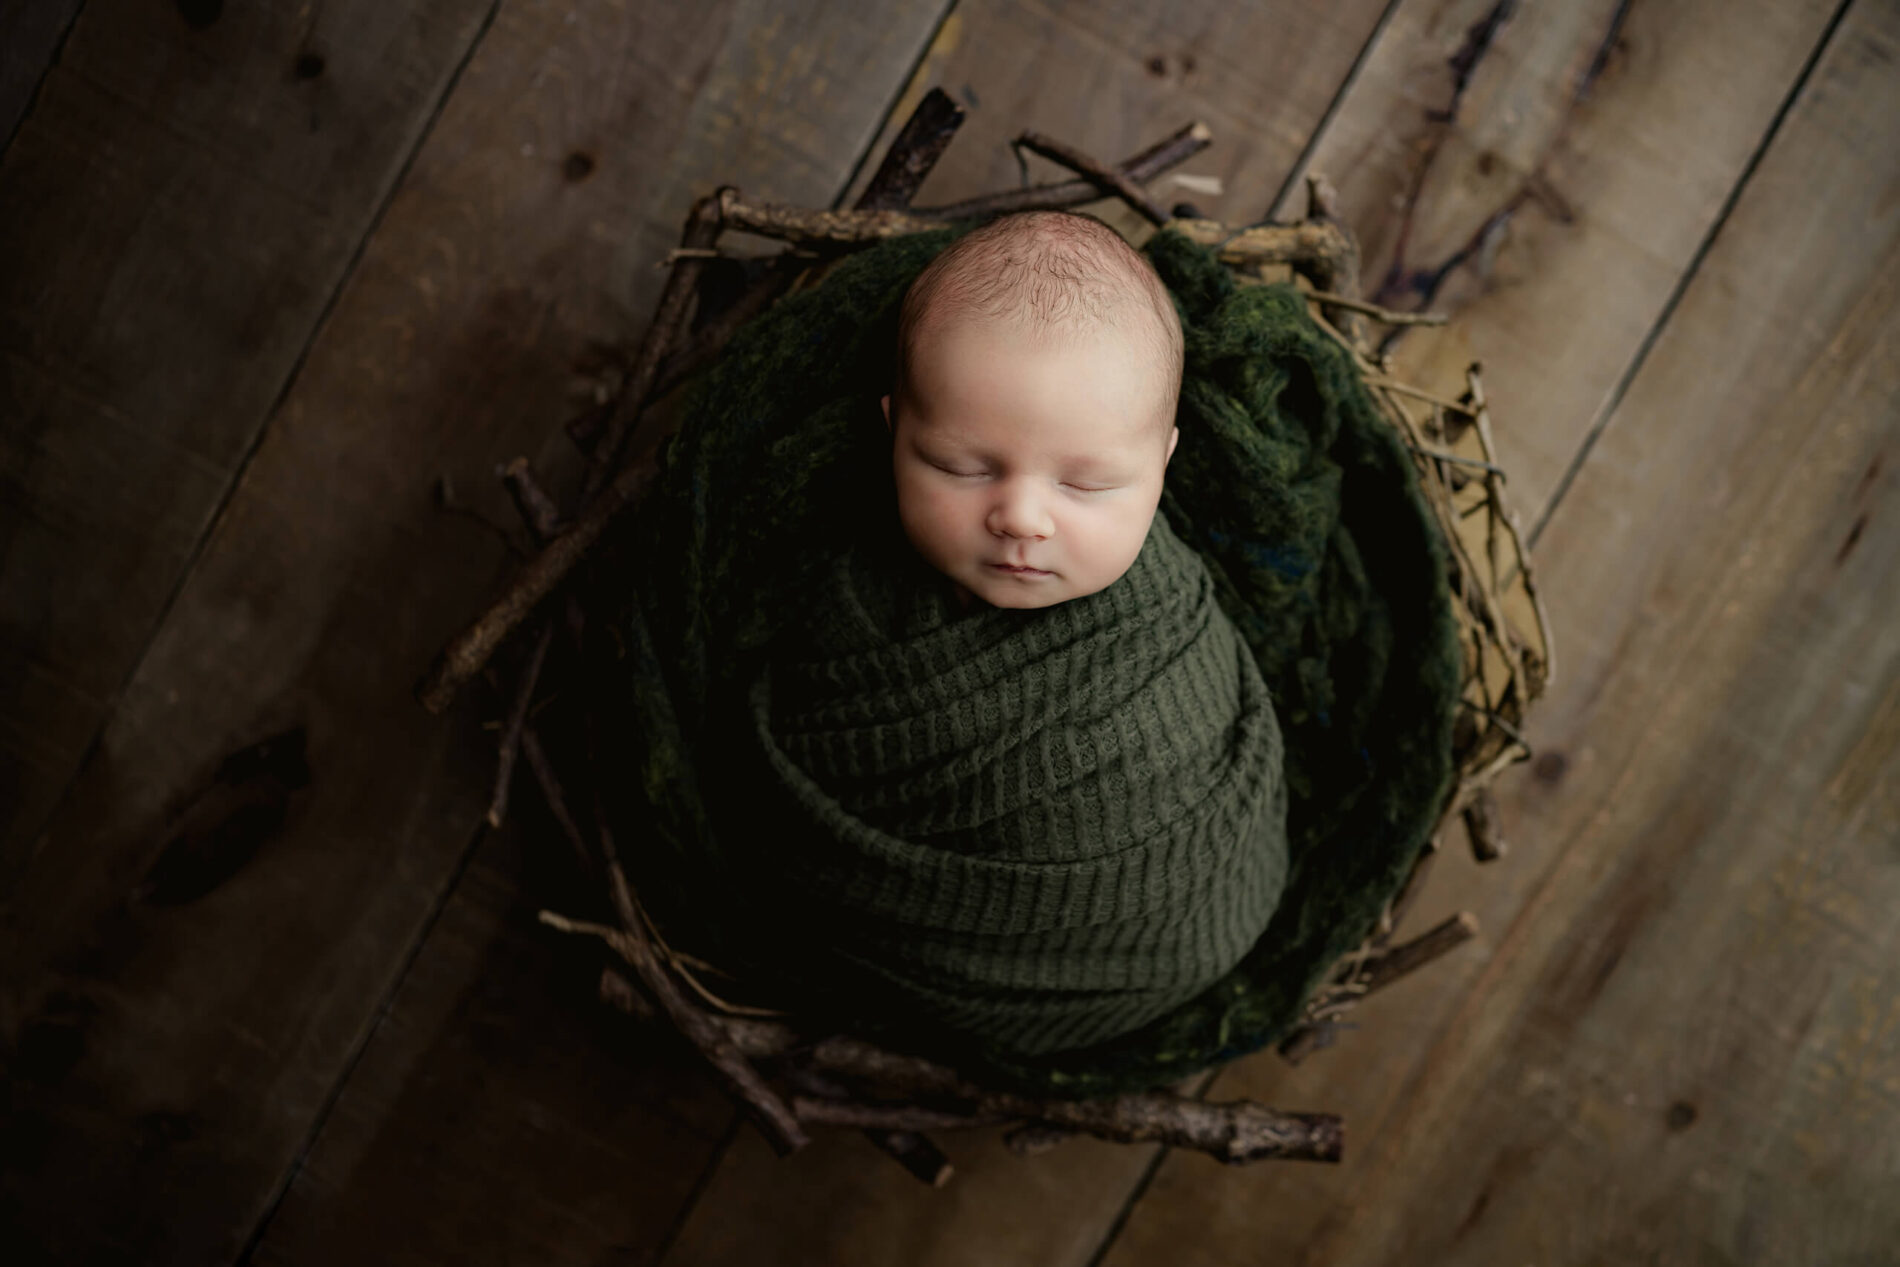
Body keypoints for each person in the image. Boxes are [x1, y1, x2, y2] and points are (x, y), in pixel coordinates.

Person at [879, 209, 1184, 611]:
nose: (1021, 520)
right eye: (960, 468)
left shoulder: (1172, 619)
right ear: (893, 429)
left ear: (1163, 463)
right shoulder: (840, 582)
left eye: (1086, 484)